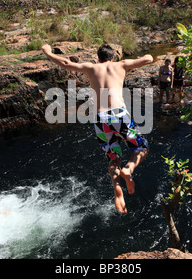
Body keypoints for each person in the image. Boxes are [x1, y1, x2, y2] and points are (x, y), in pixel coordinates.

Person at [42, 43, 153, 214]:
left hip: (100, 119)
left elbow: (65, 63)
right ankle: (129, 169)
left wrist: (47, 52)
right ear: (113, 57)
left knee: (113, 157)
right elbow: (148, 59)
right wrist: (143, 57)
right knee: (141, 147)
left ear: (98, 58)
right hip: (119, 114)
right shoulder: (120, 65)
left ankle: (117, 188)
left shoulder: (91, 67)